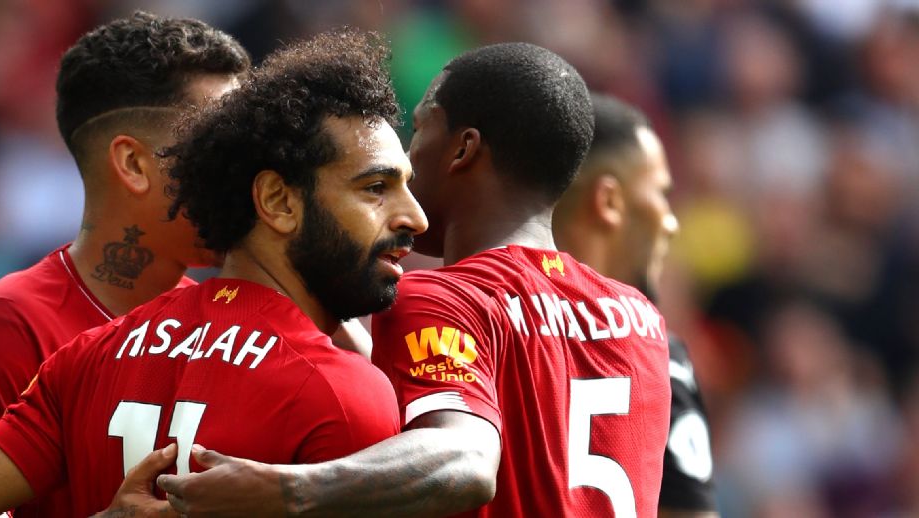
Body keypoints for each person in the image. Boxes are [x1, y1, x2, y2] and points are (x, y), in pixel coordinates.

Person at [0, 30, 428, 518]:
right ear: (134, 164)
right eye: (212, 137)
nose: (238, 157)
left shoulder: (99, 353)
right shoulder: (11, 327)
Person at [155, 43, 671, 518]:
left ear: (462, 149)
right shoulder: (641, 319)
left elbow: (467, 458)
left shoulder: (444, 299)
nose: (407, 154)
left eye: (420, 129)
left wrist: (289, 490)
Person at [0, 12, 249, 517]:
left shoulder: (231, 328)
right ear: (133, 164)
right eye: (218, 149)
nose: (243, 175)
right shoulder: (7, 327)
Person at [552, 94, 716, 517]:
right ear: (609, 200)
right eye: (661, 193)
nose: (671, 222)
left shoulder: (488, 328)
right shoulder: (658, 358)